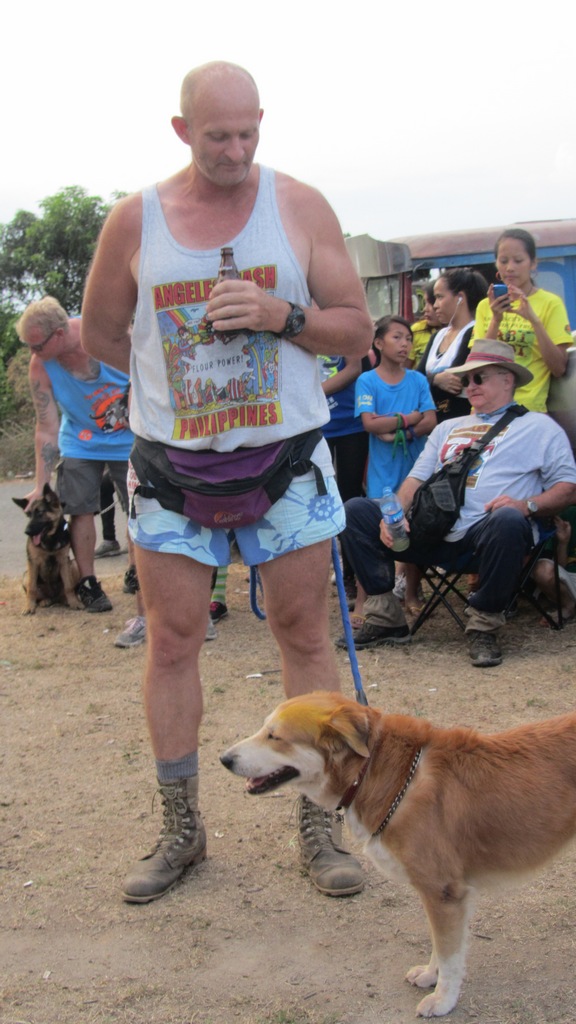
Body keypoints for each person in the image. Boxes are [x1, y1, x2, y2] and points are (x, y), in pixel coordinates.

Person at [81, 61, 373, 903]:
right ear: (182, 131)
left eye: (249, 133)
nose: (237, 151)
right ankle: (182, 829)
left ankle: (321, 823)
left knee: (303, 634)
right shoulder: (135, 220)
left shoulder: (300, 207)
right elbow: (102, 334)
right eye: (218, 136)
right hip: (171, 467)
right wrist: (174, 383)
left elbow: (354, 329)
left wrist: (284, 316)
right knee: (172, 640)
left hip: (286, 460)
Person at [339, 341, 576, 668]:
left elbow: (568, 489)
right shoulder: (447, 427)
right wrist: (394, 515)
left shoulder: (539, 428)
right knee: (355, 511)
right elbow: (415, 480)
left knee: (508, 519)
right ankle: (385, 618)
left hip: (487, 538)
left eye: (479, 378)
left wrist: (527, 506)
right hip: (430, 530)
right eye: (466, 380)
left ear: (507, 380)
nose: (470, 386)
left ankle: (483, 626)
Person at [16, 297, 133, 612]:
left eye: (36, 345)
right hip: (80, 441)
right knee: (79, 509)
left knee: (139, 508)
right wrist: (41, 485)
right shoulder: (41, 365)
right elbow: (46, 427)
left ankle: (136, 571)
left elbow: (149, 375)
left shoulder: (107, 333)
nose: (32, 352)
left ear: (58, 334)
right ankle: (87, 583)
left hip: (130, 437)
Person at [472, 227, 572, 411]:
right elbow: (476, 366)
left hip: (526, 410)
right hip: (484, 409)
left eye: (518, 261)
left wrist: (535, 321)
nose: (510, 268)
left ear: (533, 263)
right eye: (503, 261)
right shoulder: (485, 306)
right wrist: (496, 320)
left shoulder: (550, 303)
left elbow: (559, 368)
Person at [356, 316, 437, 498]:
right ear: (379, 343)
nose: (404, 344)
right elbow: (370, 424)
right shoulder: (367, 381)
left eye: (409, 339)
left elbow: (430, 421)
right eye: (397, 337)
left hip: (418, 474)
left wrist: (396, 435)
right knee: (382, 514)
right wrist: (410, 419)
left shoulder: (418, 380)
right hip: (382, 476)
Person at [318, 352, 369, 607]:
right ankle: (315, 576)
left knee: (349, 499)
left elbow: (354, 368)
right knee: (316, 501)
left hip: (350, 424)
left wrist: (312, 392)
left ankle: (350, 573)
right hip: (315, 426)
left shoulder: (342, 330)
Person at [417, 268, 488, 421]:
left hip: (459, 420)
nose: (435, 305)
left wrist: (427, 380)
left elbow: (455, 382)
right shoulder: (438, 336)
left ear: (460, 298)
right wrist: (435, 380)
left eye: (439, 297)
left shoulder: (474, 332)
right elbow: (415, 379)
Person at [408, 281, 441, 368]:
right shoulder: (416, 330)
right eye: (425, 303)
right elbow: (404, 369)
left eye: (430, 303)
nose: (425, 309)